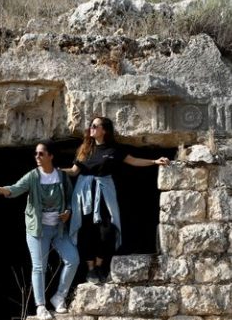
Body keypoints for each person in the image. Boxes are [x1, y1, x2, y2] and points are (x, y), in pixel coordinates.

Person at [62, 117, 170, 284]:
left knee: (107, 230)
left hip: (105, 194)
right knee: (86, 231)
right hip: (84, 195)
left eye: (95, 126)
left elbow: (133, 161)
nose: (91, 128)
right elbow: (74, 171)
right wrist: (55, 171)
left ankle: (99, 264)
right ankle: (91, 270)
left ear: (104, 130)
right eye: (91, 126)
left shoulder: (113, 150)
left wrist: (155, 161)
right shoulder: (85, 149)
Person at [0, 142, 80, 320]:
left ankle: (59, 297)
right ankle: (40, 306)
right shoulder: (33, 177)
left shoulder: (62, 176)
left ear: (50, 156)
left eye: (41, 154)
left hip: (58, 228)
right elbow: (13, 190)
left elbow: (69, 198)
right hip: (37, 230)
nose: (37, 157)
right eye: (36, 154)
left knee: (73, 259)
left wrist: (68, 212)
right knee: (39, 267)